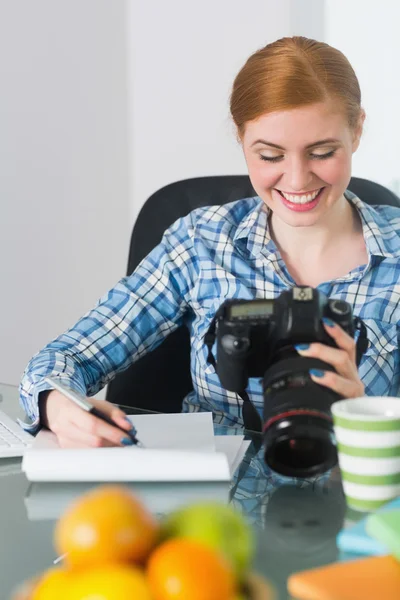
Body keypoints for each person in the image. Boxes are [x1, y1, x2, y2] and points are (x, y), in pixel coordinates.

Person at [20, 36, 400, 448]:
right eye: (270, 156)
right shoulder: (202, 242)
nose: (296, 180)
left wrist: (365, 412)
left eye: (322, 152)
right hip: (207, 500)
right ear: (240, 138)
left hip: (359, 498)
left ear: (357, 129)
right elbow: (65, 359)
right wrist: (57, 404)